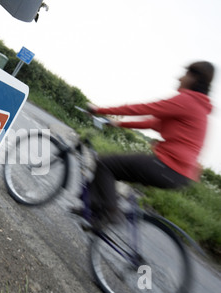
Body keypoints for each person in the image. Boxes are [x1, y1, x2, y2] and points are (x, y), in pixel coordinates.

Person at [86, 61, 215, 224]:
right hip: (178, 175)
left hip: (168, 168)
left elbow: (144, 108)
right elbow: (152, 123)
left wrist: (99, 109)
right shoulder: (196, 107)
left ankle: (110, 212)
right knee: (113, 170)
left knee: (105, 164)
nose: (180, 78)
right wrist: (118, 123)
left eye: (185, 74)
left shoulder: (187, 101)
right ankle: (93, 211)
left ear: (194, 78)